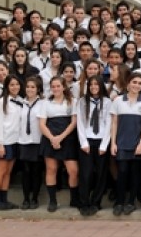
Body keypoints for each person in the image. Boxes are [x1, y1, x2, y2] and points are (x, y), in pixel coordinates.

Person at [38, 76, 80, 213]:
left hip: (67, 137)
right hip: (50, 137)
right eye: (53, 86)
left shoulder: (72, 101)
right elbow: (42, 124)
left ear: (63, 87)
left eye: (58, 86)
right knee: (51, 169)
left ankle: (74, 199)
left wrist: (61, 137)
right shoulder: (45, 103)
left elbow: (74, 122)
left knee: (73, 170)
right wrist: (52, 138)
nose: (56, 89)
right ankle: (52, 200)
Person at [109, 72, 141, 215]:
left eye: (139, 83)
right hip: (122, 143)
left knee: (135, 174)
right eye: (134, 82)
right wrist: (113, 143)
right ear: (128, 84)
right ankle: (119, 202)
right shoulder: (118, 100)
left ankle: (131, 202)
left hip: (137, 144)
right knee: (122, 172)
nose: (136, 85)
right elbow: (114, 123)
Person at [76, 75, 111, 215]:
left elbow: (109, 123)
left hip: (102, 140)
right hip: (87, 140)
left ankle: (96, 202)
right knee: (86, 173)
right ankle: (84, 202)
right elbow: (80, 122)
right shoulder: (82, 102)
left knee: (101, 173)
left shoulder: (107, 102)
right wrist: (83, 142)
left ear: (101, 86)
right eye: (91, 85)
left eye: (97, 84)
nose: (94, 87)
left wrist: (104, 144)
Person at [0, 75, 23, 210]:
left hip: (15, 140)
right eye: (12, 85)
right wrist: (0, 143)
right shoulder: (2, 101)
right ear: (7, 87)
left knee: (8, 172)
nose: (15, 87)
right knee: (0, 171)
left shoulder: (20, 101)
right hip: (4, 141)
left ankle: (4, 199)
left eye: (17, 84)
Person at [18, 76, 44, 210]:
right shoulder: (20, 103)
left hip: (37, 140)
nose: (30, 89)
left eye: (33, 87)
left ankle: (34, 198)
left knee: (36, 171)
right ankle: (26, 198)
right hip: (23, 141)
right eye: (28, 87)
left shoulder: (43, 103)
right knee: (25, 171)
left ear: (38, 89)